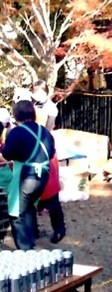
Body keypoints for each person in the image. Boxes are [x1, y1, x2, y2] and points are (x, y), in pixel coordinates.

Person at [0, 100, 55, 249]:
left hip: (26, 176)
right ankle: (31, 242)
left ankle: (25, 249)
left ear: (16, 115)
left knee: (17, 213)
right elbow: (51, 153)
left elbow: (7, 154)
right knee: (29, 208)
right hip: (43, 176)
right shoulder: (44, 131)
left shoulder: (17, 132)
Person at [30, 80, 66, 244]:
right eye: (35, 91)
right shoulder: (31, 105)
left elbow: (47, 130)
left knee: (51, 194)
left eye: (39, 91)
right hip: (31, 150)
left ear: (45, 91)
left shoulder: (51, 108)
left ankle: (59, 229)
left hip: (46, 149)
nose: (37, 94)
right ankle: (33, 230)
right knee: (30, 194)